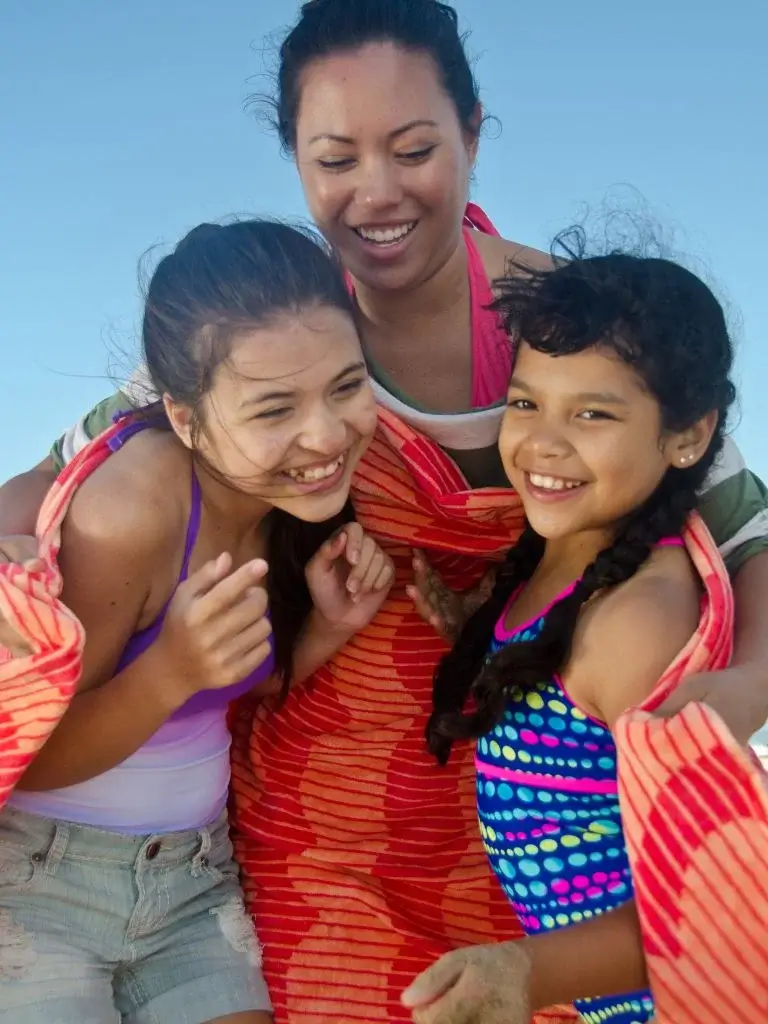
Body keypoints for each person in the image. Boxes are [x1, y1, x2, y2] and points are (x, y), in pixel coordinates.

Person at [1, 1, 768, 1020]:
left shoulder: (577, 329)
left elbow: (749, 529)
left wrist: (751, 681)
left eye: (413, 149)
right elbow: (65, 470)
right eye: (334, 159)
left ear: (474, 133)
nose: (376, 192)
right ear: (298, 164)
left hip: (532, 817)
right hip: (312, 826)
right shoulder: (267, 330)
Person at [0, 218, 394, 1024]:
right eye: (274, 408)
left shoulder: (293, 503)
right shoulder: (135, 506)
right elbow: (30, 756)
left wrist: (323, 629)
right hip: (38, 881)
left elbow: (215, 697)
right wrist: (169, 668)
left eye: (347, 387)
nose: (324, 435)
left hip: (193, 887)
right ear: (184, 417)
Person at [403, 237, 735, 1023]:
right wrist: (477, 635)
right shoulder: (560, 568)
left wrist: (527, 972)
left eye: (592, 413)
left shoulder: (636, 621)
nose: (543, 444)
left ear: (687, 436)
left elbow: (704, 905)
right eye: (526, 403)